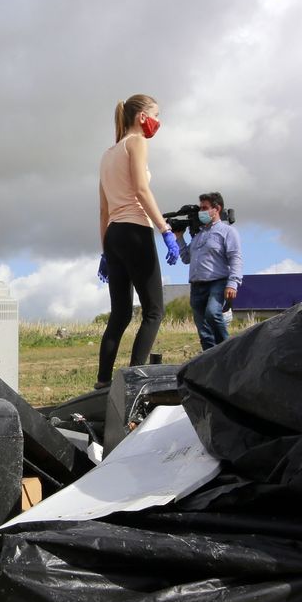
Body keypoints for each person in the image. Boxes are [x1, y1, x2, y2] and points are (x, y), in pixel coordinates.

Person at [95, 93, 178, 389]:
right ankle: (134, 382)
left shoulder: (107, 154)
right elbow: (142, 190)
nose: (158, 121)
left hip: (115, 234)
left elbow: (104, 210)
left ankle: (103, 380)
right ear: (143, 117)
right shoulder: (136, 142)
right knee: (154, 310)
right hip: (135, 230)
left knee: (120, 313)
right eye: (156, 114)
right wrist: (165, 230)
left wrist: (105, 251)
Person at [186, 192, 241, 351]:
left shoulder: (227, 232)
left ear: (217, 209)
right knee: (203, 331)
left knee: (212, 313)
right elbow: (185, 258)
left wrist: (233, 284)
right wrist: (178, 237)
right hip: (197, 286)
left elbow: (235, 258)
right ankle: (210, 358)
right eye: (200, 208)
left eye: (205, 208)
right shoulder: (198, 236)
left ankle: (227, 350)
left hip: (217, 282)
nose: (201, 212)